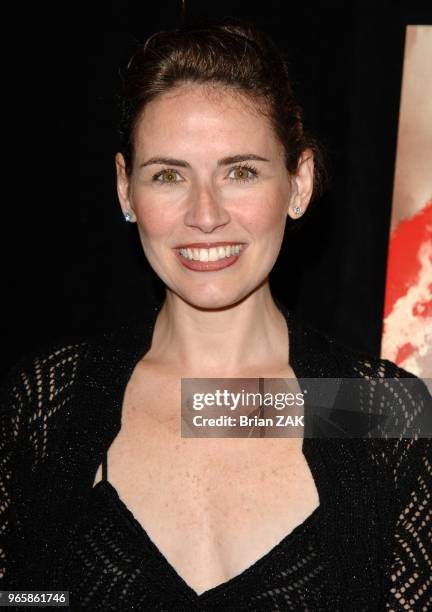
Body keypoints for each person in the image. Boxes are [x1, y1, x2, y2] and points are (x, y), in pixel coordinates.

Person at [1, 17, 431, 612]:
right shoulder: (54, 398)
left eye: (241, 171)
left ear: (299, 183)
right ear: (127, 189)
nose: (205, 215)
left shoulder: (381, 412)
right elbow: (23, 596)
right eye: (169, 175)